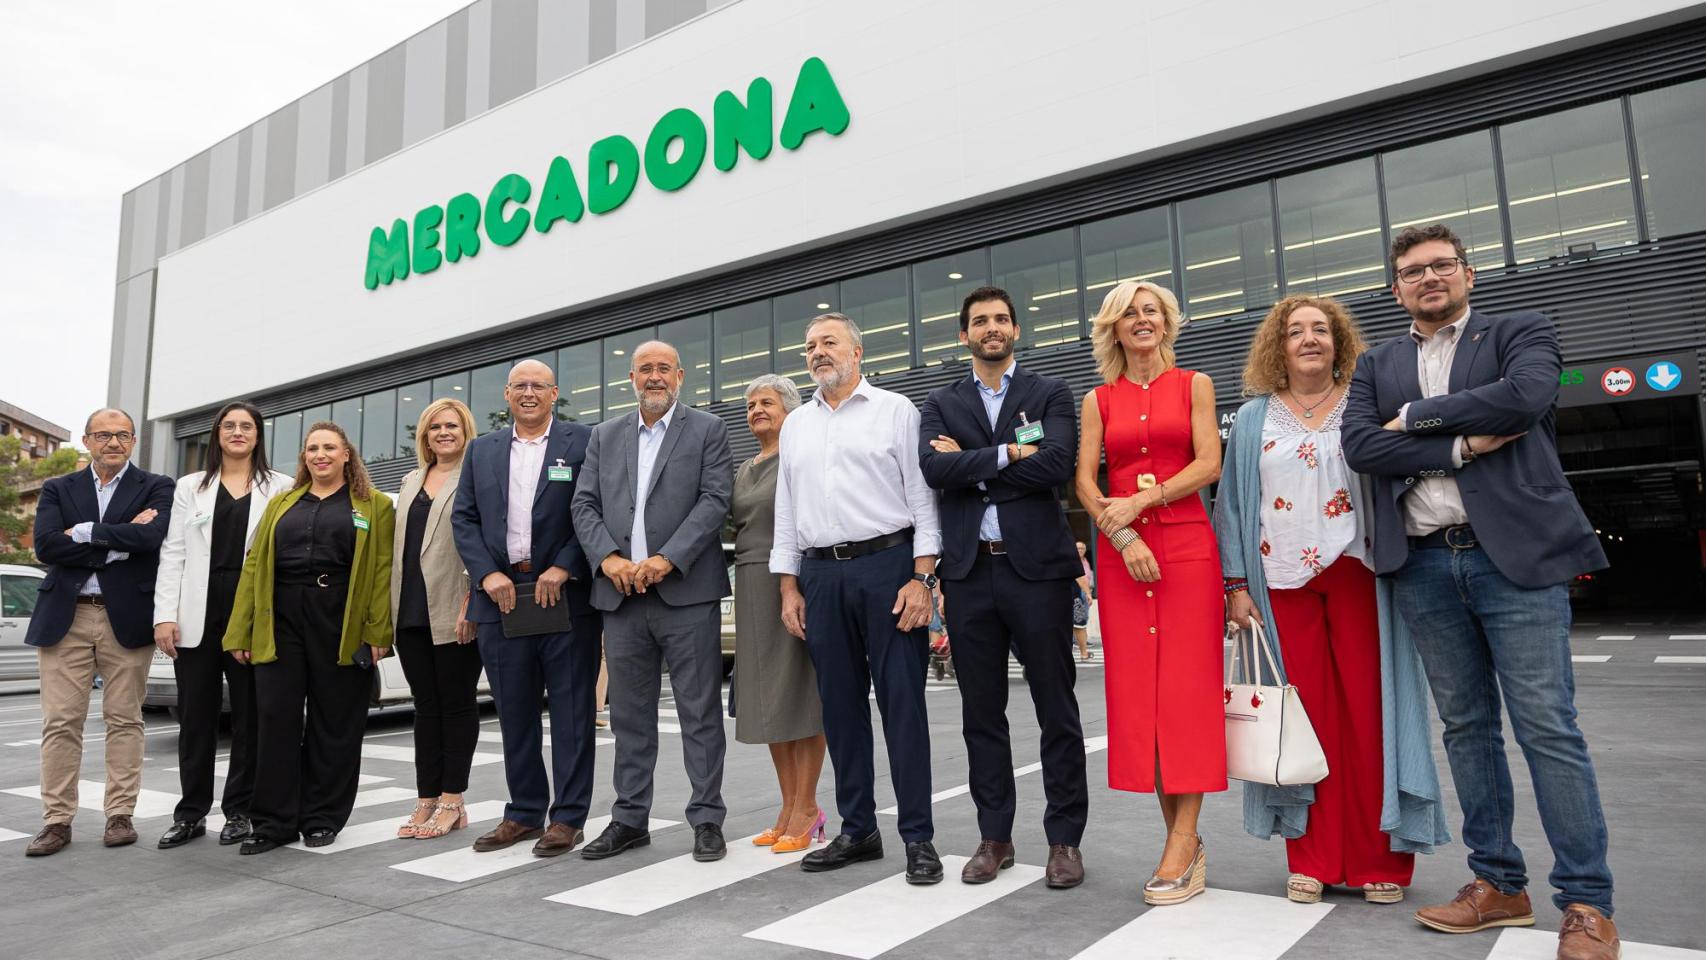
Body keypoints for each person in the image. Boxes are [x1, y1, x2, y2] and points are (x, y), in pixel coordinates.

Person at [1342, 224, 1618, 960]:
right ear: (1395, 287)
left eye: (1440, 266)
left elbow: (1525, 398)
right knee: (1467, 730)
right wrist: (1463, 442)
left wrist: (1420, 421)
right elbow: (1362, 446)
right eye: (1412, 271)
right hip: (1426, 563)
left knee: (1547, 728)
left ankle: (1587, 903)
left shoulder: (1518, 331)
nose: (1428, 278)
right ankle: (1497, 882)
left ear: (1466, 273)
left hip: (1514, 560)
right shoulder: (1378, 360)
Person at [1212, 296, 1450, 906]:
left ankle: (1381, 861)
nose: (1310, 339)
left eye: (1321, 329)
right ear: (1278, 345)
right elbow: (1233, 508)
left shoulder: (1366, 406)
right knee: (1304, 721)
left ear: (1339, 342)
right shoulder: (1252, 419)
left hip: (1359, 572)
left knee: (1371, 716)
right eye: (1296, 331)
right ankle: (1312, 859)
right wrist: (1235, 585)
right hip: (1279, 583)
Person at [919, 285, 1089, 890]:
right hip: (970, 575)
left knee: (1056, 710)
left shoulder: (1049, 392)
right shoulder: (941, 402)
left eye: (1001, 319)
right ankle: (995, 837)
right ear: (964, 335)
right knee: (981, 714)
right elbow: (935, 469)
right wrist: (1008, 455)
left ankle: (1064, 840)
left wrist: (977, 461)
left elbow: (1058, 464)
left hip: (1036, 573)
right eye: (980, 321)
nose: (992, 328)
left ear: (1015, 329)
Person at [772, 312, 944, 885]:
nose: (818, 352)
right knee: (841, 711)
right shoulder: (796, 423)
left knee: (902, 708)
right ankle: (858, 829)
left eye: (829, 342)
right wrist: (789, 584)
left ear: (857, 351)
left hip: (887, 568)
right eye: (810, 345)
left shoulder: (896, 411)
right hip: (820, 576)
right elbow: (787, 512)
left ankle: (918, 837)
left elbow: (923, 501)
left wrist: (922, 579)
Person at [1074, 281, 1225, 905]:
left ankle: (1180, 843)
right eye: (1129, 313)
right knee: (1145, 701)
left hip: (1186, 548)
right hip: (1122, 552)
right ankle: (1183, 844)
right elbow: (1084, 480)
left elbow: (1208, 462)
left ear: (1167, 323)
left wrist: (1141, 500)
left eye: (1151, 311)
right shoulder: (1098, 400)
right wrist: (1119, 528)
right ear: (1113, 328)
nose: (1142, 320)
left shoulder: (1195, 385)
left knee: (1186, 695)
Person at [571, 341, 734, 862]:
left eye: (664, 368)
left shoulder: (707, 429)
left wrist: (667, 558)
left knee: (699, 714)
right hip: (620, 596)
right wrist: (608, 559)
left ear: (681, 375)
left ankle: (707, 818)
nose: (655, 377)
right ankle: (629, 819)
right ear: (632, 377)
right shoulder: (604, 435)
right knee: (630, 717)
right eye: (646, 369)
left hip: (685, 592)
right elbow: (584, 503)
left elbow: (715, 499)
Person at [223, 421, 394, 854]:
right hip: (280, 618)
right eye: (312, 448)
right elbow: (253, 567)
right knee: (276, 719)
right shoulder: (282, 504)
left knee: (334, 723)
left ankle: (322, 817)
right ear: (304, 457)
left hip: (341, 618)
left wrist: (376, 631)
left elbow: (381, 571)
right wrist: (239, 629)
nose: (320, 455)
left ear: (346, 455)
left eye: (329, 448)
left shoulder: (373, 505)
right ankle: (274, 823)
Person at [452, 360, 601, 857]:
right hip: (501, 596)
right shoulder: (482, 450)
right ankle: (523, 813)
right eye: (520, 386)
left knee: (572, 711)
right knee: (514, 712)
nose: (529, 393)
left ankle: (569, 817)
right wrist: (487, 574)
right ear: (508, 395)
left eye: (539, 385)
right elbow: (465, 518)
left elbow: (593, 510)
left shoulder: (582, 442)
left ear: (555, 393)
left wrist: (566, 565)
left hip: (563, 593)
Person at [23, 409, 173, 857]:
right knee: (60, 722)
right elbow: (47, 544)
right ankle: (56, 821)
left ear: (133, 442)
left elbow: (152, 540)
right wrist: (117, 540)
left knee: (125, 719)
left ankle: (120, 815)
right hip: (65, 617)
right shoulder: (57, 487)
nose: (113, 442)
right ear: (87, 441)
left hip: (124, 617)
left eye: (122, 435)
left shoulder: (157, 486)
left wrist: (84, 534)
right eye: (103, 435)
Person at [152, 402, 291, 849]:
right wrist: (165, 615)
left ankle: (240, 812)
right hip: (198, 613)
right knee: (195, 720)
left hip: (248, 614)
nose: (236, 432)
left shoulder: (280, 486)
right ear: (216, 435)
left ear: (258, 435)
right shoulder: (191, 486)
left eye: (245, 426)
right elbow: (174, 551)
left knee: (249, 719)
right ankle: (190, 813)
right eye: (228, 426)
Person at [729, 374, 827, 853]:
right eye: (750, 405)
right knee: (768, 700)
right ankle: (787, 805)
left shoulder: (799, 454)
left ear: (790, 408)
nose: (756, 411)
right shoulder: (745, 466)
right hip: (749, 582)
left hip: (791, 579)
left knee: (800, 695)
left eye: (766, 402)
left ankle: (808, 807)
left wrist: (797, 584)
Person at [391, 398, 482, 840]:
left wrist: (472, 601)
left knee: (457, 704)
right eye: (434, 427)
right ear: (424, 436)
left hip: (454, 605)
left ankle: (453, 800)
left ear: (465, 431)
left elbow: (482, 539)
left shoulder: (478, 476)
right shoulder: (410, 480)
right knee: (425, 708)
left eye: (452, 426)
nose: (443, 433)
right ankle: (426, 797)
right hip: (409, 609)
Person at [1072, 542, 1093, 662]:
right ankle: (1084, 653)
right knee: (1080, 625)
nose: (1080, 550)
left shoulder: (1085, 561)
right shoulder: (1073, 560)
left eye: (1082, 548)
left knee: (1079, 623)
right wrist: (1088, 593)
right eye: (1077, 548)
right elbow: (1080, 577)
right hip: (1075, 595)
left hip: (1077, 594)